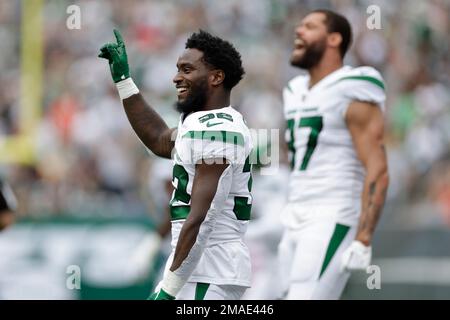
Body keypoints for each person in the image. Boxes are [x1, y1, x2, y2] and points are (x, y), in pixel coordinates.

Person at [99, 29, 253, 300]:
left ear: (216, 77)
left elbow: (201, 218)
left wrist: (167, 291)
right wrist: (124, 81)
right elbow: (159, 139)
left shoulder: (217, 130)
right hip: (202, 268)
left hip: (209, 270)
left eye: (187, 69)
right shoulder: (201, 122)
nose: (176, 77)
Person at [277, 9, 389, 299]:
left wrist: (364, 237)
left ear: (334, 39)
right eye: (299, 25)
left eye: (309, 26)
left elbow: (376, 166)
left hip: (332, 213)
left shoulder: (353, 86)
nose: (298, 31)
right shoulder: (293, 89)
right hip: (293, 213)